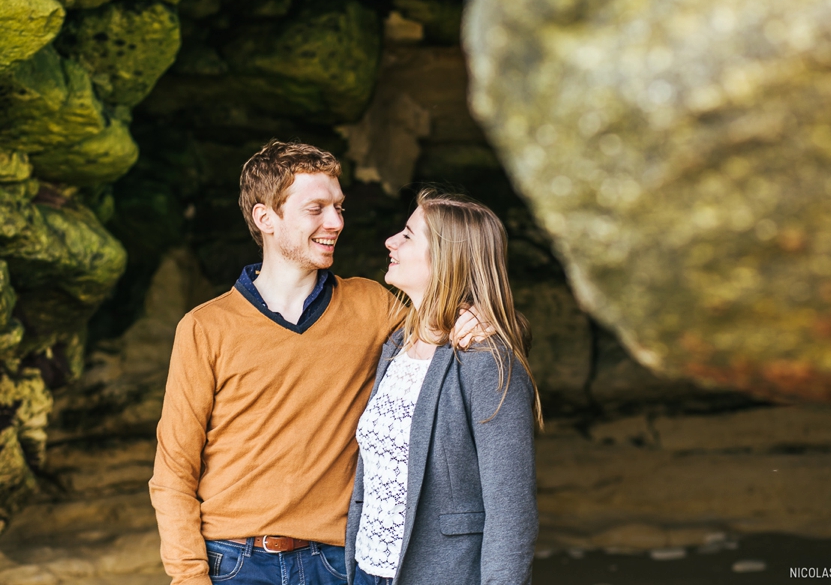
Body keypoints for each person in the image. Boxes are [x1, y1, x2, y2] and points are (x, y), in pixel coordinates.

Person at [149, 141, 483, 585]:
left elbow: (447, 332)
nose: (336, 222)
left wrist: (482, 317)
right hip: (233, 562)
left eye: (339, 207)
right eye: (317, 209)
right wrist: (189, 577)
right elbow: (174, 471)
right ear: (265, 219)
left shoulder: (373, 305)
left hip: (340, 562)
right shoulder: (204, 327)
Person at [345, 189, 543, 585]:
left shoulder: (485, 360)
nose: (390, 241)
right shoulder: (396, 344)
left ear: (446, 257)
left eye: (407, 234)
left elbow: (511, 509)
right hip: (368, 571)